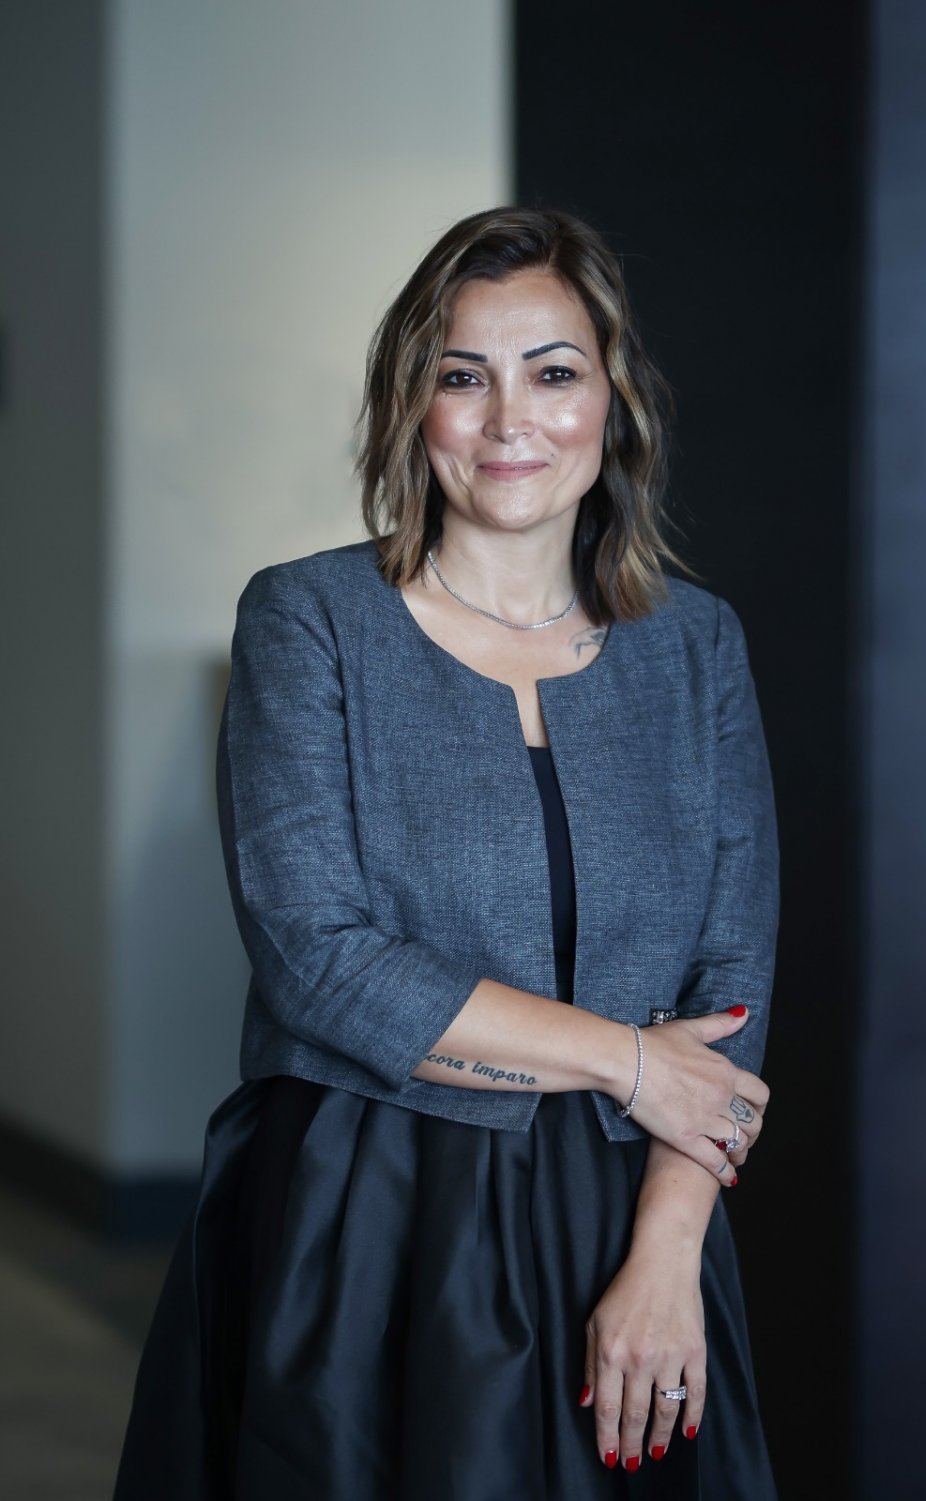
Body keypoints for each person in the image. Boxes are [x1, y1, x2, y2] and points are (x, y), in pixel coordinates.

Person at [114, 206, 780, 1500]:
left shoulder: (696, 647)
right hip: (368, 1221)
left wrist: (667, 1257)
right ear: (411, 405)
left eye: (554, 371)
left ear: (613, 400)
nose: (509, 418)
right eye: (463, 376)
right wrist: (632, 1061)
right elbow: (320, 963)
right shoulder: (309, 620)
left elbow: (733, 983)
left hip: (635, 1210)